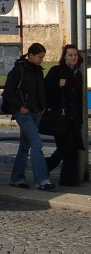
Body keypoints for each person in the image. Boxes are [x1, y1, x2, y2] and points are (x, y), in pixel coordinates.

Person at [2, 42, 55, 191]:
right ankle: (42, 180)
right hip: (24, 113)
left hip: (35, 113)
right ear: (30, 55)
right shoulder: (18, 70)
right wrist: (20, 107)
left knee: (25, 146)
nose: (42, 60)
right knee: (37, 143)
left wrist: (42, 107)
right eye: (40, 57)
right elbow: (8, 92)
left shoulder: (38, 70)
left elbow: (40, 90)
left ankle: (17, 178)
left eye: (43, 57)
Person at [43, 44, 85, 186]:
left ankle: (48, 168)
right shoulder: (57, 71)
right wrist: (58, 85)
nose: (73, 57)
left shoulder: (78, 74)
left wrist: (79, 118)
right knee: (66, 147)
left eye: (75, 55)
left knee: (70, 148)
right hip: (59, 117)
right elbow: (45, 90)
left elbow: (79, 98)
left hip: (72, 118)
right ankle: (65, 178)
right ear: (65, 56)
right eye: (70, 55)